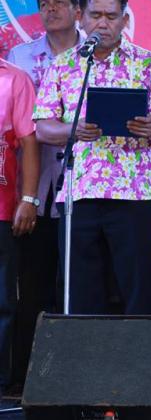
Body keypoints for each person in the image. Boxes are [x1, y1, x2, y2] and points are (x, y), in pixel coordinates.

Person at [33, 0, 151, 315]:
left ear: (125, 20)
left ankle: (138, 350)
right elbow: (42, 129)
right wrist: (73, 130)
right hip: (79, 195)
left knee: (136, 292)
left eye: (112, 16)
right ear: (80, 16)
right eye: (95, 15)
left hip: (133, 194)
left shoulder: (148, 64)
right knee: (81, 294)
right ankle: (85, 351)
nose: (103, 24)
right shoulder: (64, 65)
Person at [7, 0, 84, 387]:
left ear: (77, 10)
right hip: (32, 183)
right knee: (32, 280)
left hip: (84, 181)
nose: (51, 9)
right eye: (44, 4)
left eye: (59, 2)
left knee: (77, 282)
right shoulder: (20, 58)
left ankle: (74, 377)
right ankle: (25, 378)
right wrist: (27, 195)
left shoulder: (95, 55)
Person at [0, 59, 39, 395]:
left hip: (1, 208)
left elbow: (29, 142)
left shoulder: (15, 79)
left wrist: (28, 198)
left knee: (2, 302)